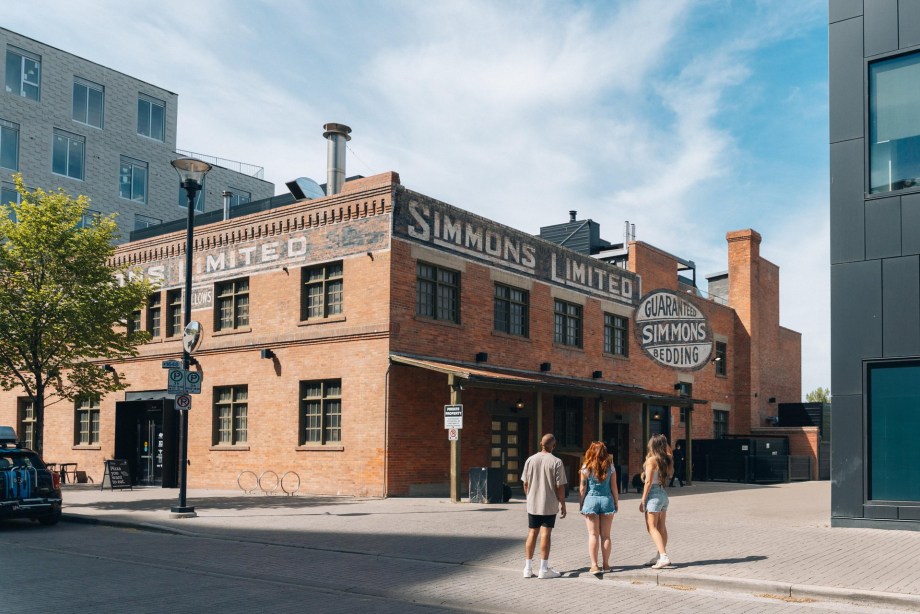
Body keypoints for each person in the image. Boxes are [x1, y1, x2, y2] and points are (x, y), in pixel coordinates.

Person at [522, 433, 567, 579]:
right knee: (545, 534)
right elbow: (560, 486)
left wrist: (529, 497)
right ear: (553, 446)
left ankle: (527, 568)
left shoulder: (530, 460)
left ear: (541, 444)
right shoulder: (557, 462)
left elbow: (525, 483)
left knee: (532, 533)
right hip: (549, 502)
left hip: (533, 503)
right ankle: (543, 568)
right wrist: (563, 504)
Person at [579, 441, 618, 576]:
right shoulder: (611, 467)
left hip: (590, 501)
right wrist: (616, 502)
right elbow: (614, 487)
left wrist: (581, 503)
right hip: (607, 500)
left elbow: (583, 487)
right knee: (606, 535)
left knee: (593, 535)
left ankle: (594, 565)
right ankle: (606, 565)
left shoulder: (586, 467)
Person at [640, 433, 674, 569]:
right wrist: (665, 441)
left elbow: (648, 481)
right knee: (661, 527)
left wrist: (643, 500)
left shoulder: (651, 460)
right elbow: (670, 452)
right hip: (663, 494)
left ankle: (664, 556)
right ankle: (660, 555)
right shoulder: (666, 459)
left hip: (653, 495)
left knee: (652, 528)